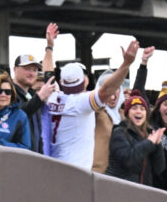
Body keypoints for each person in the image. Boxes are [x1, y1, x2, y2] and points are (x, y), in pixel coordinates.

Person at [41, 39, 139, 170]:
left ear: (61, 82)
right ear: (84, 81)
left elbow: (48, 74)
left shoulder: (52, 97)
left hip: (53, 166)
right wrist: (126, 64)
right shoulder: (81, 102)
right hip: (77, 172)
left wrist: (49, 47)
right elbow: (106, 90)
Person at [106, 92, 165, 187]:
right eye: (134, 108)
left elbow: (159, 168)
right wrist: (149, 143)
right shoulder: (119, 132)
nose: (138, 111)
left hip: (142, 190)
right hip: (119, 188)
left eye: (142, 109)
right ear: (127, 113)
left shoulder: (149, 135)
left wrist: (157, 145)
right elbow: (129, 160)